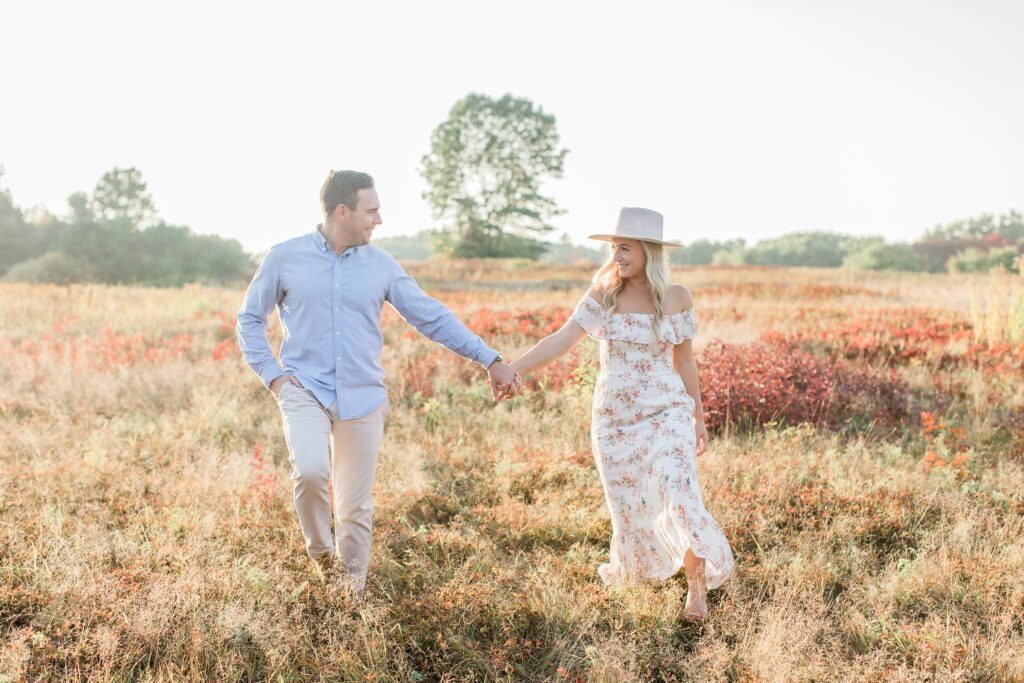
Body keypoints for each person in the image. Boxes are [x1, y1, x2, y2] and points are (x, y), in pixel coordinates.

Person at [236, 170, 521, 596]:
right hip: (303, 388)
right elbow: (249, 319)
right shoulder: (284, 258)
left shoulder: (382, 266)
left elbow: (431, 316)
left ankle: (352, 596)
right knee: (311, 472)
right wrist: (274, 377)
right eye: (372, 211)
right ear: (343, 211)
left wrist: (489, 357)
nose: (379, 220)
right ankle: (320, 555)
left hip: (363, 396)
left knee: (354, 507)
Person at [508, 207, 733, 620]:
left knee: (681, 494)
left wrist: (698, 417)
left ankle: (696, 592)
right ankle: (638, 577)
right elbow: (562, 339)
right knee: (628, 507)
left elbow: (684, 363)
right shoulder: (603, 293)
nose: (617, 255)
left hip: (668, 412)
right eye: (613, 247)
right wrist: (512, 368)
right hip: (614, 420)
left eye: (625, 248)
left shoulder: (677, 297)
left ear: (649, 251)